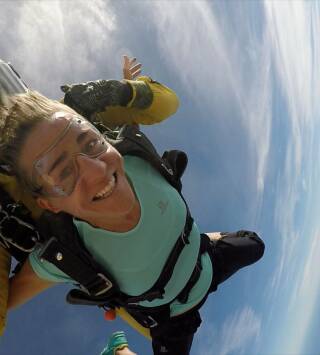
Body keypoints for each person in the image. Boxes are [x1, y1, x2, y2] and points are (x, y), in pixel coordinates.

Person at [0, 77, 264, 355]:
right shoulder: (67, 252)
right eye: (64, 173)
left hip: (206, 258)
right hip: (173, 318)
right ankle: (119, 351)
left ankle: (201, 240)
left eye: (91, 143)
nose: (98, 171)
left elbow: (166, 103)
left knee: (255, 244)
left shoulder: (131, 153)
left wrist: (125, 89)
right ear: (49, 204)